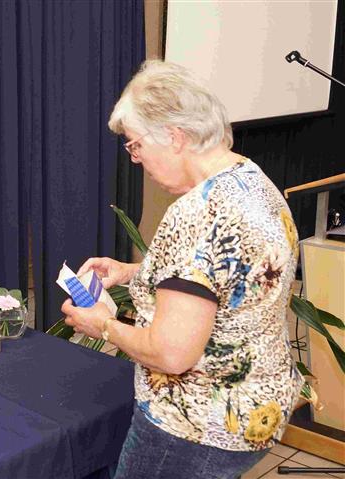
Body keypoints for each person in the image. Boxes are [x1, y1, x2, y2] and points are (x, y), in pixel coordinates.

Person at [61, 61, 303, 478]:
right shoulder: (252, 180)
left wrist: (102, 326)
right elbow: (225, 277)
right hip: (258, 405)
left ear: (174, 137)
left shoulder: (196, 214)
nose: (136, 160)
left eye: (136, 146)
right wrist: (132, 272)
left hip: (195, 427)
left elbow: (171, 354)